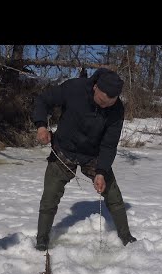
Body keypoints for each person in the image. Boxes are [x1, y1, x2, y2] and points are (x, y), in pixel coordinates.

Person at [32, 67, 138, 251]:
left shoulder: (117, 110)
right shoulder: (75, 88)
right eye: (102, 101)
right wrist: (41, 126)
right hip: (64, 150)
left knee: (113, 194)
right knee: (50, 196)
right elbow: (43, 100)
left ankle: (126, 236)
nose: (104, 106)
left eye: (109, 104)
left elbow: (109, 145)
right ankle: (42, 239)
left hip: (93, 155)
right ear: (95, 87)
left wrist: (101, 172)